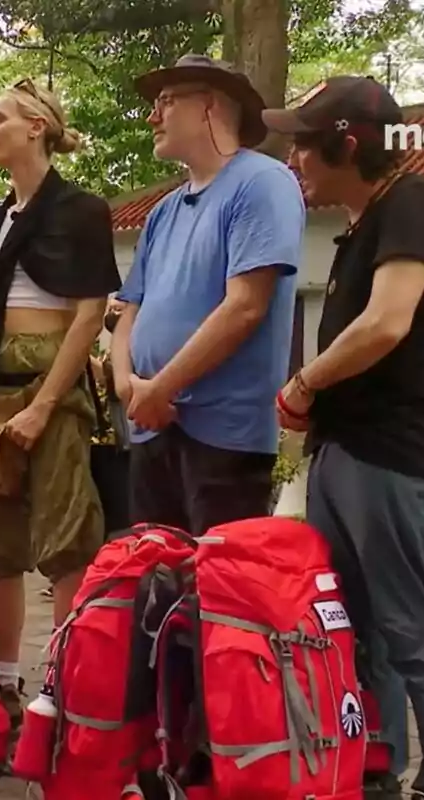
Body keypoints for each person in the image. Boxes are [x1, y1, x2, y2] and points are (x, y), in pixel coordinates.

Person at [264, 76, 424, 800]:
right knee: (354, 625)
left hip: (388, 452)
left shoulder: (411, 204)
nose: (295, 156)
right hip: (343, 450)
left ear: (348, 143)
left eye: (305, 141)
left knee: (410, 627)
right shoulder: (362, 225)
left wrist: (304, 384)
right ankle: (375, 766)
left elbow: (388, 323)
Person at [0, 78, 120, 720]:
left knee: (66, 536)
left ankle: (66, 681)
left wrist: (46, 403)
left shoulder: (81, 210)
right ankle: (5, 680)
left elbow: (88, 312)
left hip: (51, 389)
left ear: (38, 127)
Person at [110, 54, 304, 534]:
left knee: (219, 592)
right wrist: (125, 383)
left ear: (210, 106)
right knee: (154, 581)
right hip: (152, 425)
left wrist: (162, 388)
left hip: (223, 440)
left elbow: (245, 306)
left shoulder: (263, 183)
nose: (153, 116)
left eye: (167, 101)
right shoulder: (162, 211)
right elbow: (127, 311)